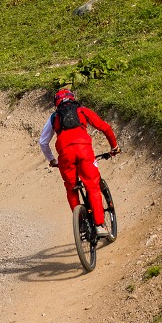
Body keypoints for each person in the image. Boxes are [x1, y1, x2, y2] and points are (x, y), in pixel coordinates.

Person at [39, 88, 119, 240]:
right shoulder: (82, 110)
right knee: (93, 186)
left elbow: (43, 142)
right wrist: (114, 147)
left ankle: (81, 223)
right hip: (84, 151)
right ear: (73, 99)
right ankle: (100, 225)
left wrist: (52, 160)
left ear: (56, 104)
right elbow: (104, 127)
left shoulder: (54, 117)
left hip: (65, 155)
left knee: (71, 189)